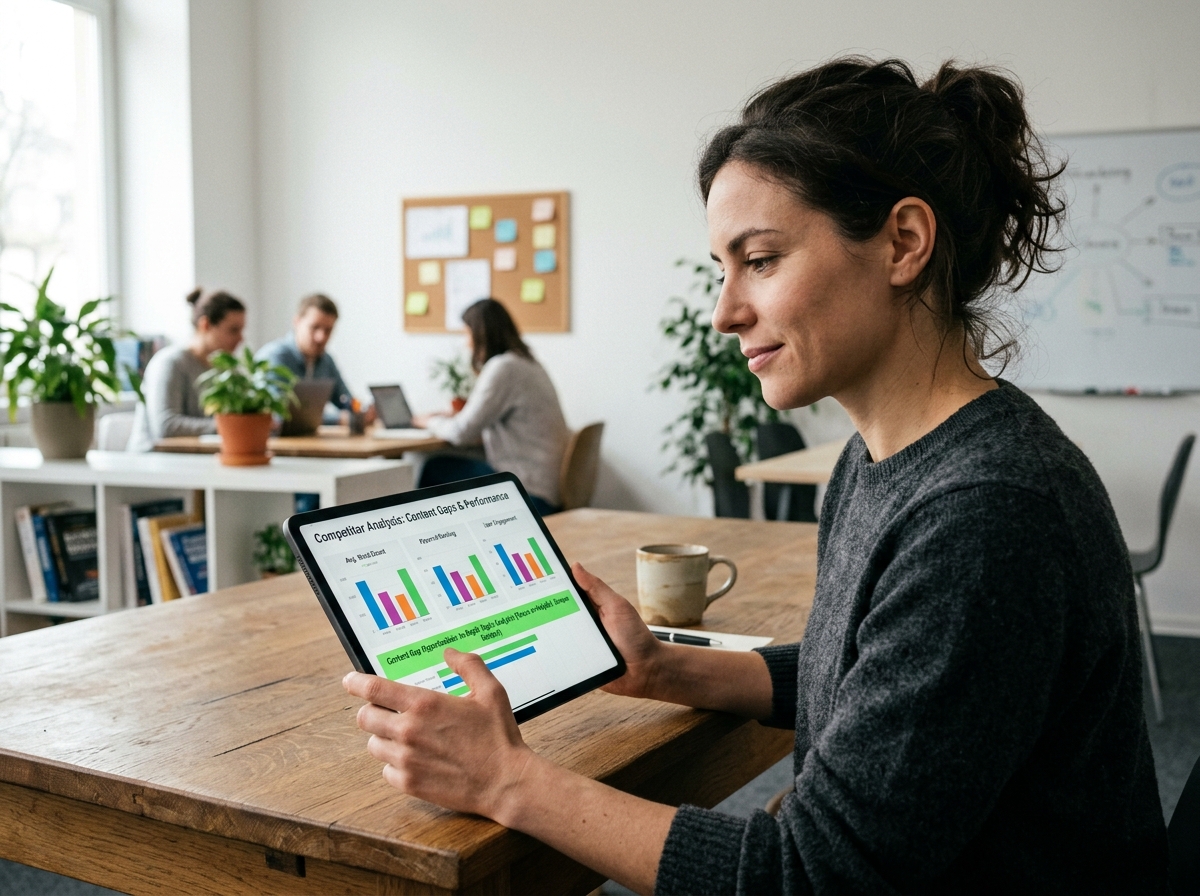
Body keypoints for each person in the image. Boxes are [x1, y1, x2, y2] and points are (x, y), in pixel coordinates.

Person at [344, 58, 1169, 894]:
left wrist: (505, 780)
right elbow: (859, 675)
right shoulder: (884, 456)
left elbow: (811, 878)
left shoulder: (988, 515)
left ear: (903, 243)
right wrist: (665, 667)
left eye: (762, 260)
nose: (724, 312)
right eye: (721, 269)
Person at [413, 298, 570, 517]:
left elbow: (461, 432)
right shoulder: (527, 362)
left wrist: (428, 421)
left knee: (434, 468)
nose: (466, 343)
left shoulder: (503, 367)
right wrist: (455, 414)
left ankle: (430, 545)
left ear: (480, 335)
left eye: (467, 334)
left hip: (529, 493)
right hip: (546, 487)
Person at [126, 288, 246, 453]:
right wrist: (232, 426)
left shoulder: (228, 370)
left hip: (197, 463)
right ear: (205, 325)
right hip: (154, 464)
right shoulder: (170, 363)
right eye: (233, 330)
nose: (241, 338)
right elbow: (167, 427)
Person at [256, 293, 369, 424]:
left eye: (328, 330)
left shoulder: (326, 360)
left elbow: (345, 400)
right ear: (297, 322)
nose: (321, 337)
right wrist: (339, 419)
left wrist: (361, 410)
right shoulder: (275, 357)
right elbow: (281, 415)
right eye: (315, 327)